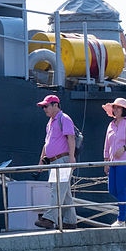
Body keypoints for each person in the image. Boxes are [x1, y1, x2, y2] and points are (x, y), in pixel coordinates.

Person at [34, 94, 78, 230]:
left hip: (62, 160)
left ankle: (49, 218)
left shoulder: (64, 119)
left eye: (46, 106)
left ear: (55, 105)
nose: (44, 109)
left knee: (57, 189)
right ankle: (70, 221)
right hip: (54, 162)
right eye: (43, 107)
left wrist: (71, 158)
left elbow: (71, 138)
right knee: (64, 192)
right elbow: (46, 143)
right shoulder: (51, 122)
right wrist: (41, 160)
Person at [102, 98, 126, 227]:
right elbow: (106, 144)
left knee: (120, 190)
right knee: (112, 190)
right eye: (114, 108)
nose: (116, 110)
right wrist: (106, 161)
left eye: (118, 108)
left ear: (124, 110)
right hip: (113, 162)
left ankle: (121, 220)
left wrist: (124, 148)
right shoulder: (110, 124)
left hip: (125, 161)